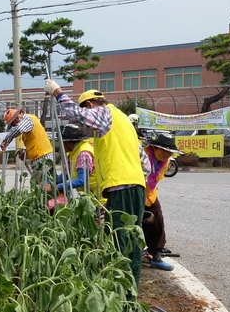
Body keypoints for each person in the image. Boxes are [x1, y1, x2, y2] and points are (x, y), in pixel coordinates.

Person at [45, 80, 151, 287]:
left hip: (122, 186)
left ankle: (125, 293)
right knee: (128, 239)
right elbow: (145, 163)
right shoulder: (124, 122)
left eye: (87, 120)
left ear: (91, 105)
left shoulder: (105, 113)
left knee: (122, 241)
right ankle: (128, 289)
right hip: (133, 186)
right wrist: (139, 183)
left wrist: (57, 93)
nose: (86, 128)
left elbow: (79, 114)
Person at [41, 124, 107, 212]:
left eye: (61, 143)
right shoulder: (72, 154)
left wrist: (56, 187)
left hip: (98, 199)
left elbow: (82, 180)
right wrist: (48, 183)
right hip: (89, 199)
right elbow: (65, 176)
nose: (60, 146)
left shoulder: (83, 153)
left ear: (67, 142)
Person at [142, 133, 181, 271]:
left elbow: (155, 180)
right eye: (164, 151)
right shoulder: (143, 155)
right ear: (155, 148)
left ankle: (156, 255)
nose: (166, 154)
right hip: (135, 190)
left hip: (150, 193)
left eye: (169, 152)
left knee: (157, 219)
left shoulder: (167, 162)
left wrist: (148, 196)